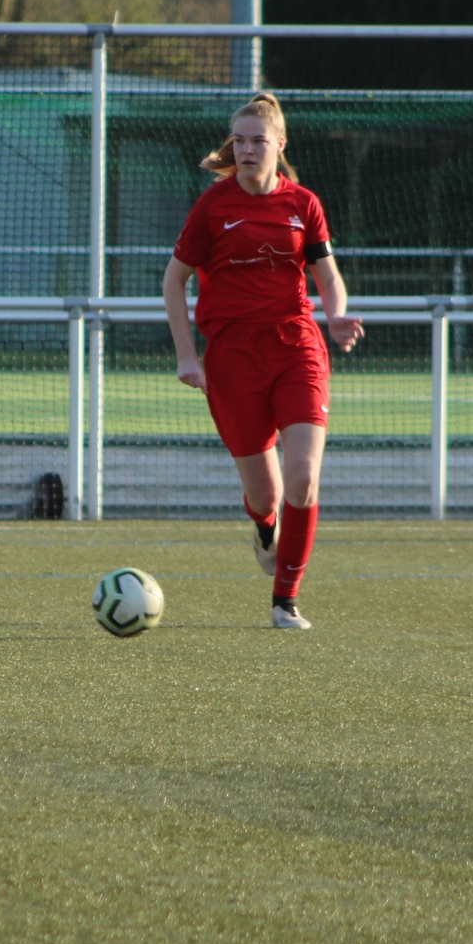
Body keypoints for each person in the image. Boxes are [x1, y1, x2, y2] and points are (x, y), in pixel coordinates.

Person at [162, 94, 364, 630]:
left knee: (303, 476)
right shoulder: (213, 207)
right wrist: (187, 356)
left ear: (279, 144)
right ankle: (264, 524)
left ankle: (285, 599)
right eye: (239, 140)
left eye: (257, 139)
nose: (247, 149)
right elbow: (173, 281)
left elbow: (327, 277)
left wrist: (337, 316)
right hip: (232, 355)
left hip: (296, 345)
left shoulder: (303, 203)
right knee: (267, 493)